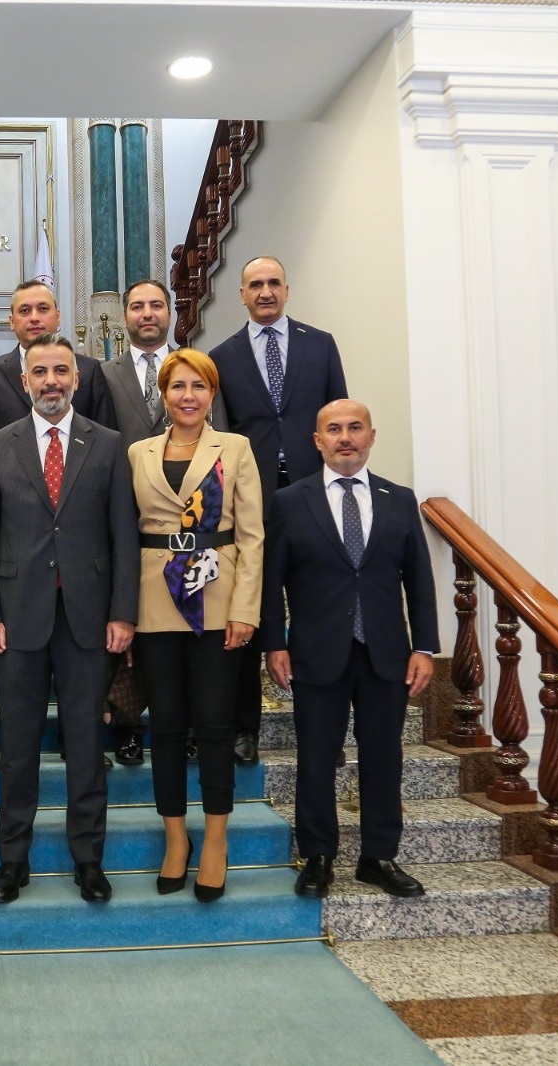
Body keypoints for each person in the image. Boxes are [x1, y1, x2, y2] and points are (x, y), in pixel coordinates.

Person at [0, 334, 139, 904]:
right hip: (17, 617)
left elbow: (124, 536)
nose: (51, 381)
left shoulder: (108, 444)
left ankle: (88, 859)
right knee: (17, 748)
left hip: (88, 618)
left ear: (77, 379)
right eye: (40, 372)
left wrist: (123, 612)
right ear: (25, 381)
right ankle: (12, 859)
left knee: (87, 746)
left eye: (61, 371)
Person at [262, 399, 438, 900]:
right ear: (317, 441)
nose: (345, 437)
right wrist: (274, 643)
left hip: (386, 651)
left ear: (371, 436)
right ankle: (318, 856)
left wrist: (425, 647)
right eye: (334, 429)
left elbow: (419, 580)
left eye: (355, 428)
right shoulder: (290, 501)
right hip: (316, 651)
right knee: (317, 756)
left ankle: (378, 856)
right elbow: (271, 581)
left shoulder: (398, 499)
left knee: (383, 755)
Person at [128, 349, 262, 902]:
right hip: (154, 601)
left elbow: (252, 535)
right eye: (178, 386)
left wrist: (245, 609)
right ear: (163, 394)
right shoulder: (137, 452)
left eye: (198, 386)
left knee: (213, 725)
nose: (188, 396)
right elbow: (127, 531)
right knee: (165, 726)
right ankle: (176, 838)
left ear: (212, 394)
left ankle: (215, 840)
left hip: (217, 600)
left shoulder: (235, 448)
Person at [208, 256, 348, 766]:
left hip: (314, 495)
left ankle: (323, 728)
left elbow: (339, 418)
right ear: (241, 295)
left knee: (316, 609)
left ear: (287, 289)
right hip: (253, 500)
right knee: (248, 610)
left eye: (273, 283)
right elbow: (223, 436)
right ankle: (244, 729)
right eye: (255, 285)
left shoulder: (321, 345)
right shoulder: (221, 356)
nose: (265, 292)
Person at [100, 279, 230, 766]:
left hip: (199, 525)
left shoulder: (196, 369)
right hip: (131, 519)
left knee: (192, 634)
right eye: (137, 306)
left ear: (170, 313)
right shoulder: (103, 374)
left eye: (156, 305)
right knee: (135, 634)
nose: (147, 313)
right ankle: (129, 728)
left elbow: (221, 439)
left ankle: (193, 727)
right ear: (125, 315)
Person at [0, 280, 114, 432]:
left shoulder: (89, 369)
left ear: (58, 316)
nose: (34, 318)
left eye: (43, 309)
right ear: (12, 321)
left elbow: (104, 436)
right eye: (25, 311)